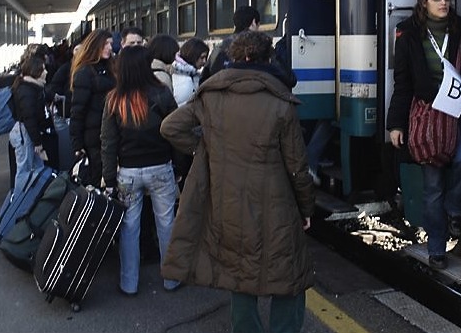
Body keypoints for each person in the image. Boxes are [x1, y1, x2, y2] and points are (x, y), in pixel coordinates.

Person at [160, 31, 314, 333]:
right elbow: (297, 167)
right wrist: (306, 207)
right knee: (289, 275)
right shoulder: (280, 101)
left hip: (226, 202)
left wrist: (203, 148)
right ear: (266, 59)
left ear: (238, 58)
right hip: (276, 205)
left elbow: (170, 127)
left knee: (240, 274)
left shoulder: (212, 93)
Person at [386, 0, 461, 270]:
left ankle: (454, 208)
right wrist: (396, 125)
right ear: (424, 2)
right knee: (432, 185)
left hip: (460, 113)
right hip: (427, 116)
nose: (444, 3)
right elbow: (402, 83)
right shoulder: (408, 35)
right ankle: (436, 249)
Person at [100, 45, 180, 294]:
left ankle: (129, 283)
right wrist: (178, 166)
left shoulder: (114, 99)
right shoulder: (163, 93)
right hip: (161, 168)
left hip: (128, 173)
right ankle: (171, 279)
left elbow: (108, 141)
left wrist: (110, 178)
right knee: (166, 223)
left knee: (129, 227)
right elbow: (176, 132)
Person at [70, 29, 115, 188]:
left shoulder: (110, 68)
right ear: (94, 45)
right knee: (98, 177)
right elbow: (77, 111)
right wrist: (77, 144)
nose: (110, 47)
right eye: (105, 44)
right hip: (94, 136)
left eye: (110, 43)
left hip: (109, 132)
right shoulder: (84, 72)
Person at [9, 56, 52, 196]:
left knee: (37, 168)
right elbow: (29, 118)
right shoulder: (27, 91)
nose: (46, 72)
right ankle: (19, 201)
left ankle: (31, 199)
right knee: (25, 170)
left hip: (27, 133)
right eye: (43, 69)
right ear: (35, 71)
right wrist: (37, 142)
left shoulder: (31, 88)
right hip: (26, 134)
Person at [199, 5, 260, 83]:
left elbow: (204, 79)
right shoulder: (259, 48)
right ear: (254, 22)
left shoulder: (220, 48)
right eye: (258, 25)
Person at [170, 37, 208, 107]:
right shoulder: (185, 78)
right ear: (193, 55)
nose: (204, 61)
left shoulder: (187, 74)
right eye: (202, 57)